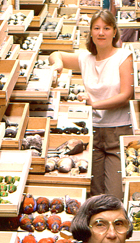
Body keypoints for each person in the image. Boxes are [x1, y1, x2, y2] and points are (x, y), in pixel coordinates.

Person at [49, 10, 133, 199]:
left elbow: (126, 94)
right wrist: (57, 65)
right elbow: (55, 54)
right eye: (96, 28)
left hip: (117, 132)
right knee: (93, 193)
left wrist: (94, 104)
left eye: (106, 28)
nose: (101, 33)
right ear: (91, 32)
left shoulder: (123, 57)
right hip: (92, 134)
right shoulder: (85, 59)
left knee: (114, 195)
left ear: (114, 32)